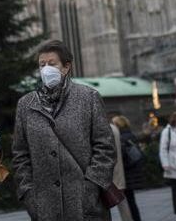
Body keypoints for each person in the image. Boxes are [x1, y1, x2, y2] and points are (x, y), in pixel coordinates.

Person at [12, 39, 116, 221]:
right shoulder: (26, 104)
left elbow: (105, 148)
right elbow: (20, 154)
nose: (46, 69)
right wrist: (28, 194)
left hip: (84, 205)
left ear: (66, 67)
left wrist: (91, 189)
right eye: (41, 65)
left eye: (52, 64)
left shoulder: (88, 98)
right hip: (45, 208)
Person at [113, 116, 144, 221]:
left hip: (126, 173)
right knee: (132, 201)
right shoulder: (131, 135)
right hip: (133, 172)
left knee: (128, 201)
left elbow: (121, 156)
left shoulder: (121, 137)